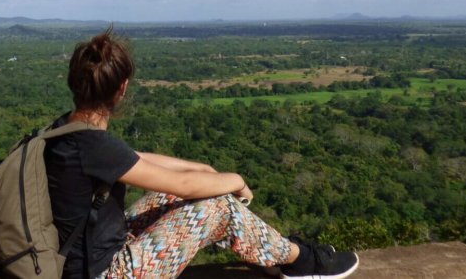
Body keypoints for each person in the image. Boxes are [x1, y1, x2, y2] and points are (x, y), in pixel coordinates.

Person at [44, 28, 359, 279]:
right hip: (105, 272)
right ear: (122, 88)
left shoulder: (66, 131)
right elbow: (183, 186)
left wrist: (203, 167)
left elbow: (138, 159)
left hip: (88, 255)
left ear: (75, 83)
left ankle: (266, 253)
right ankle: (301, 261)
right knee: (217, 207)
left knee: (174, 196)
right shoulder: (93, 144)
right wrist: (235, 179)